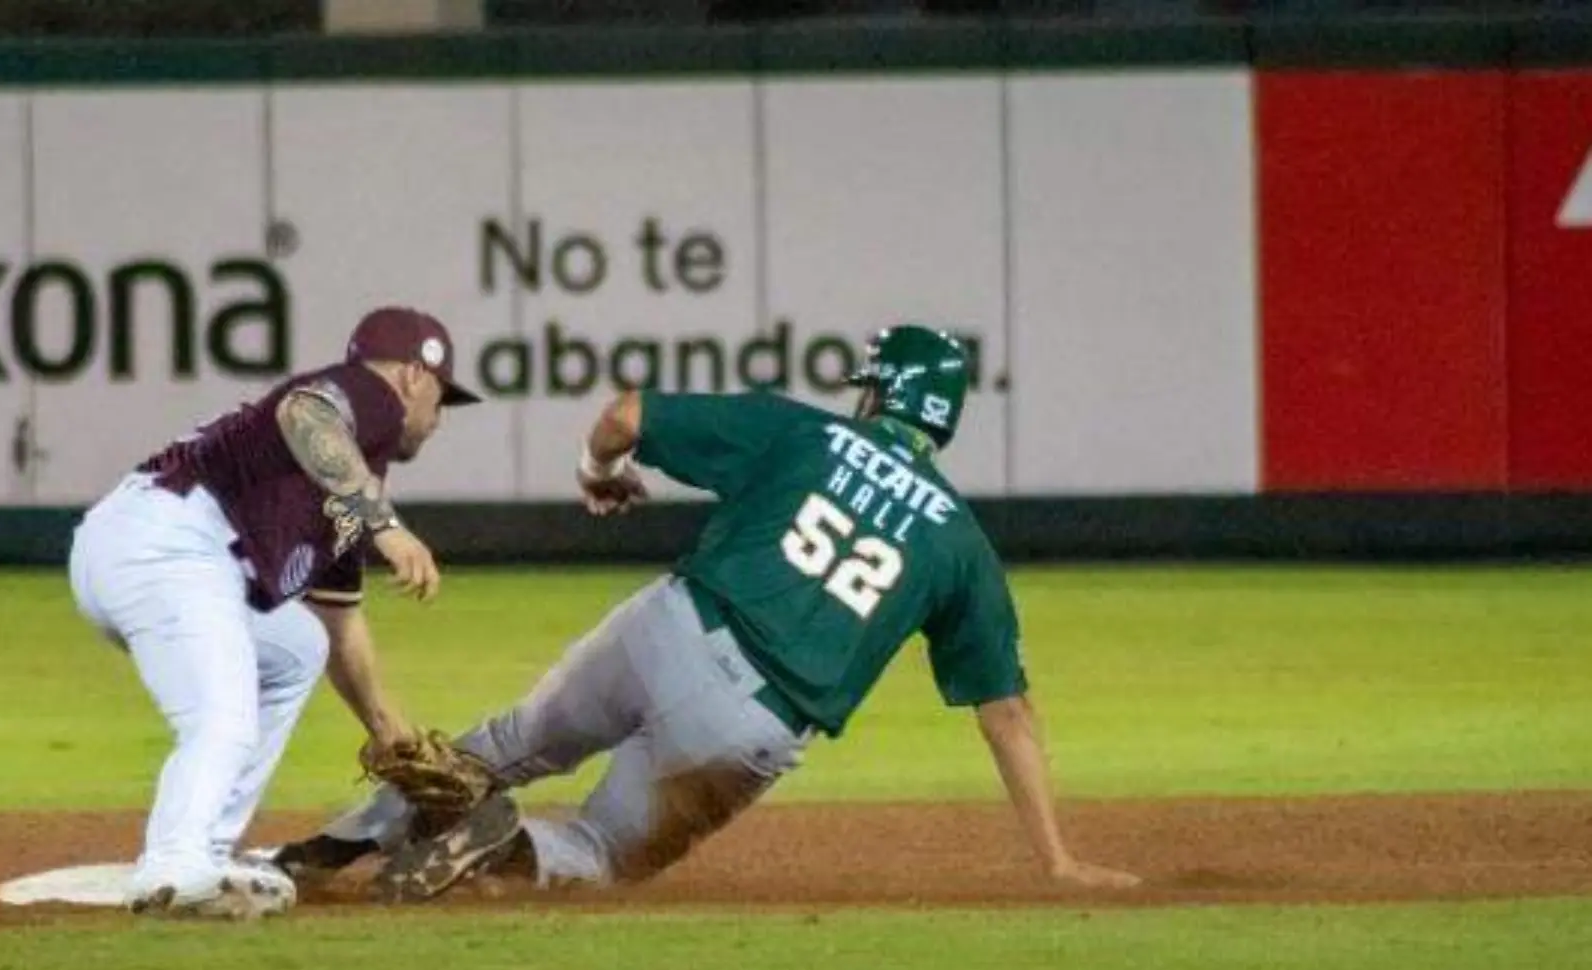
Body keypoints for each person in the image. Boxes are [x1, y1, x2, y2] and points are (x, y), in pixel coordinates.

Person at [270, 324, 1138, 901]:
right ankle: (499, 846)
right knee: (602, 855)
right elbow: (1007, 712)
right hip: (744, 723)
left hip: (667, 628)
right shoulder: (960, 545)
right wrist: (1056, 860)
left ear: (878, 395)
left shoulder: (804, 434)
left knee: (501, 744)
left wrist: (597, 474)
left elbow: (624, 416)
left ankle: (336, 845)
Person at [68, 306, 480, 918]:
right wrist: (385, 527)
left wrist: (389, 731)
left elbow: (338, 627)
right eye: (442, 398)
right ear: (416, 375)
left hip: (152, 554)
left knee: (296, 647)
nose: (439, 418)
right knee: (222, 715)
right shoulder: (374, 396)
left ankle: (208, 849)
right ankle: (174, 864)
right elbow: (304, 412)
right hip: (163, 546)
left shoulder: (349, 488)